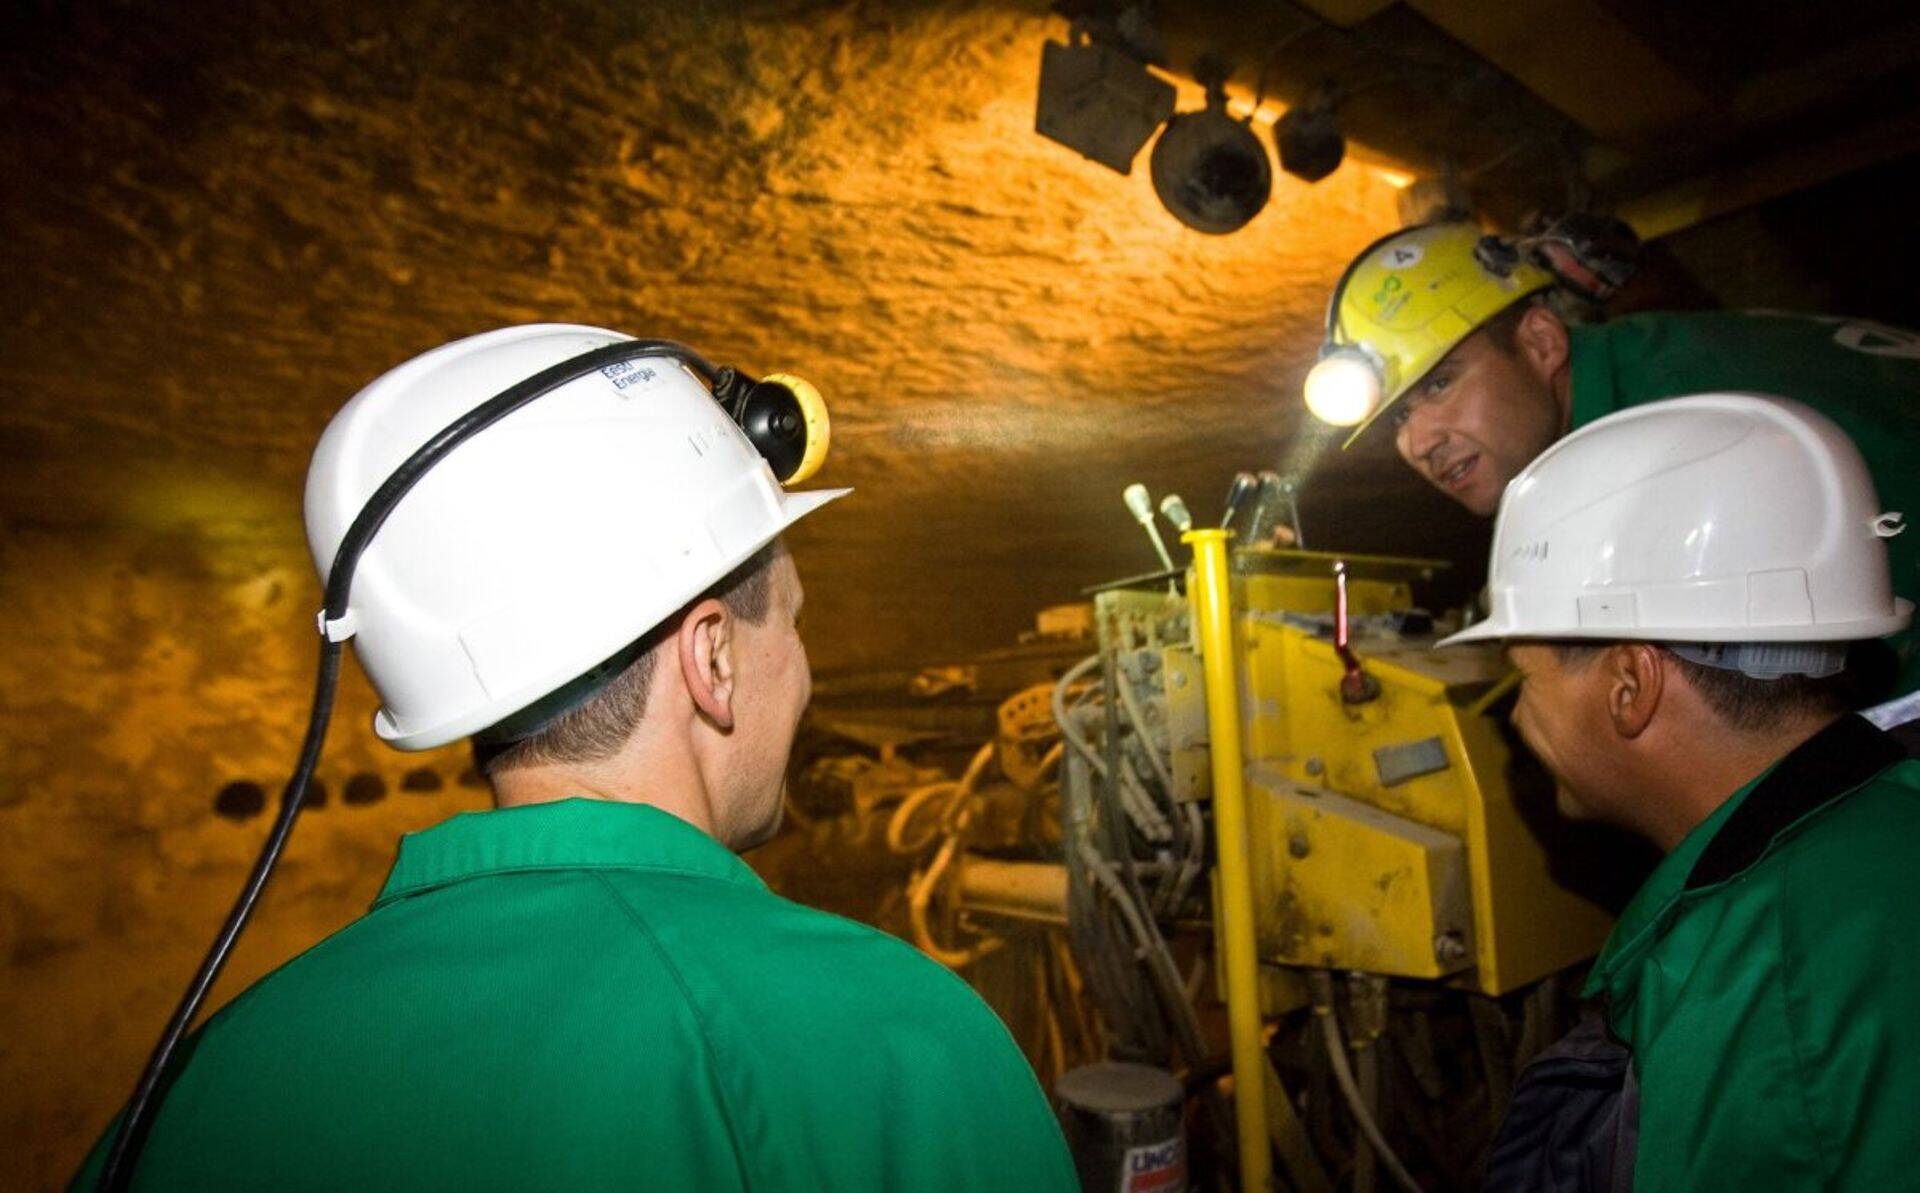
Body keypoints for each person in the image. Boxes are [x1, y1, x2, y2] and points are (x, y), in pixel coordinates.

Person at [74, 325, 1078, 1192]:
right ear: (713, 658)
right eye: (795, 624)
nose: (808, 676)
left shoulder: (188, 1099)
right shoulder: (896, 1047)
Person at [1438, 393, 1920, 1190]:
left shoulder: (1752, 984)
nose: (1516, 716)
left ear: (1630, 685)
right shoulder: (1886, 814)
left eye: (1523, 676)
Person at [1303, 219, 1920, 704]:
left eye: (1440, 385)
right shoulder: (1629, 385)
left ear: (1541, 342)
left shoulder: (1688, 431)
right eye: (1398, 419)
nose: (1418, 443)